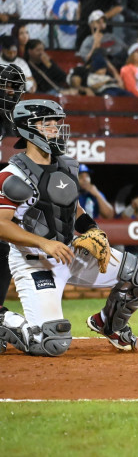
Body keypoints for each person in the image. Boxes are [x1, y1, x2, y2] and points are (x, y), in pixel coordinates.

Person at [0, 98, 138, 355]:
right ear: (28, 128)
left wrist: (93, 230)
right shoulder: (11, 175)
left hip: (69, 252)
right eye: (46, 123)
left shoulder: (66, 166)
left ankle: (109, 323)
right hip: (35, 261)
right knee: (50, 344)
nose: (55, 129)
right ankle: (3, 319)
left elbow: (73, 208)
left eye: (56, 123)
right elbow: (1, 225)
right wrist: (44, 242)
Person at [0, 63, 25, 329]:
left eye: (13, 88)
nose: (10, 93)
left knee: (2, 244)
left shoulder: (4, 118)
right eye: (5, 87)